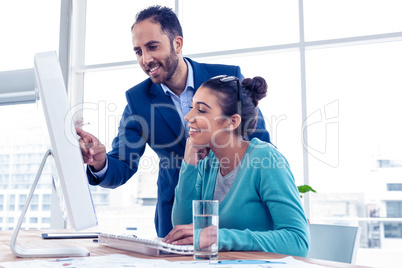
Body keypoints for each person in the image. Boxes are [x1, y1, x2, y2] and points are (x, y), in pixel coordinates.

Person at [76, 5, 270, 238]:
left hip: (236, 210)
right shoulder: (138, 101)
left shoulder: (224, 78)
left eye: (152, 47)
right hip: (178, 216)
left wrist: (280, 201)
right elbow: (123, 163)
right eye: (138, 51)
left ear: (177, 44)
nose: (146, 59)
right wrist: (100, 162)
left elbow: (259, 142)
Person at [163, 75, 310, 257]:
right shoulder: (207, 163)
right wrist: (189, 165)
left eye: (201, 110)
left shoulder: (266, 160)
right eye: (192, 107)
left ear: (232, 121)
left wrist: (220, 237)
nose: (188, 116)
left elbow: (298, 241)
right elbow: (184, 230)